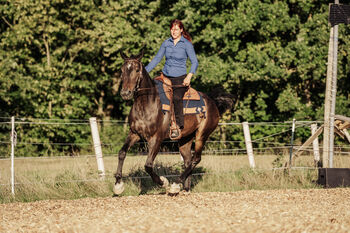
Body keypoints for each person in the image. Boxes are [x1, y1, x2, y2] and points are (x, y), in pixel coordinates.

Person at [145, 19, 199, 138]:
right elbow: (157, 59)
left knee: (176, 98)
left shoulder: (187, 44)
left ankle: (177, 125)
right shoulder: (166, 43)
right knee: (151, 94)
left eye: (176, 29)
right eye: (172, 29)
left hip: (180, 78)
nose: (173, 31)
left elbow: (194, 62)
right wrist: (144, 71)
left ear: (181, 30)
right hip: (165, 77)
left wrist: (189, 76)